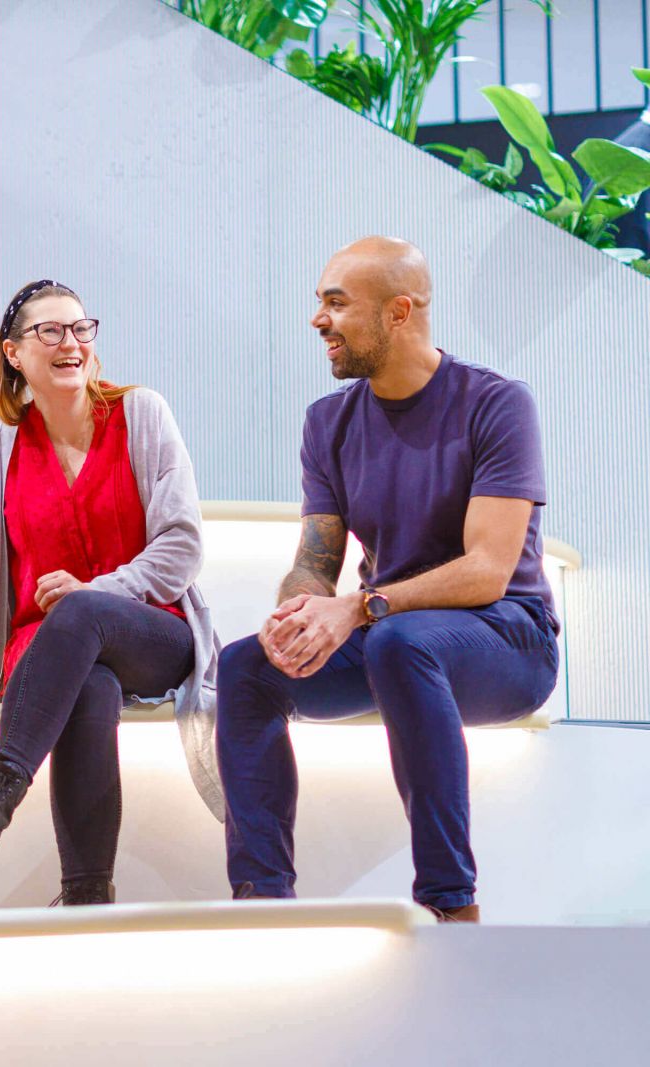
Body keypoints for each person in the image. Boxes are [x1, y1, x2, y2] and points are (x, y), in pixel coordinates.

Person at [216, 236, 559, 923]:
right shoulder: (328, 422)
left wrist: (359, 607)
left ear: (399, 312)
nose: (318, 320)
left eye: (337, 303)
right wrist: (299, 614)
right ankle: (263, 904)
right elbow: (316, 560)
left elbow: (488, 571)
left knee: (401, 642)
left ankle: (450, 903)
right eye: (320, 302)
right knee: (245, 666)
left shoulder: (496, 404)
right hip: (389, 638)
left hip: (507, 638)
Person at [0, 280, 221, 904]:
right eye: (51, 331)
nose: (72, 343)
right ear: (13, 353)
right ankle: (88, 898)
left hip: (151, 632)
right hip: (44, 646)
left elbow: (181, 546)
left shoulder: (141, 413)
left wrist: (96, 590)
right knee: (88, 683)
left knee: (87, 612)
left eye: (81, 328)